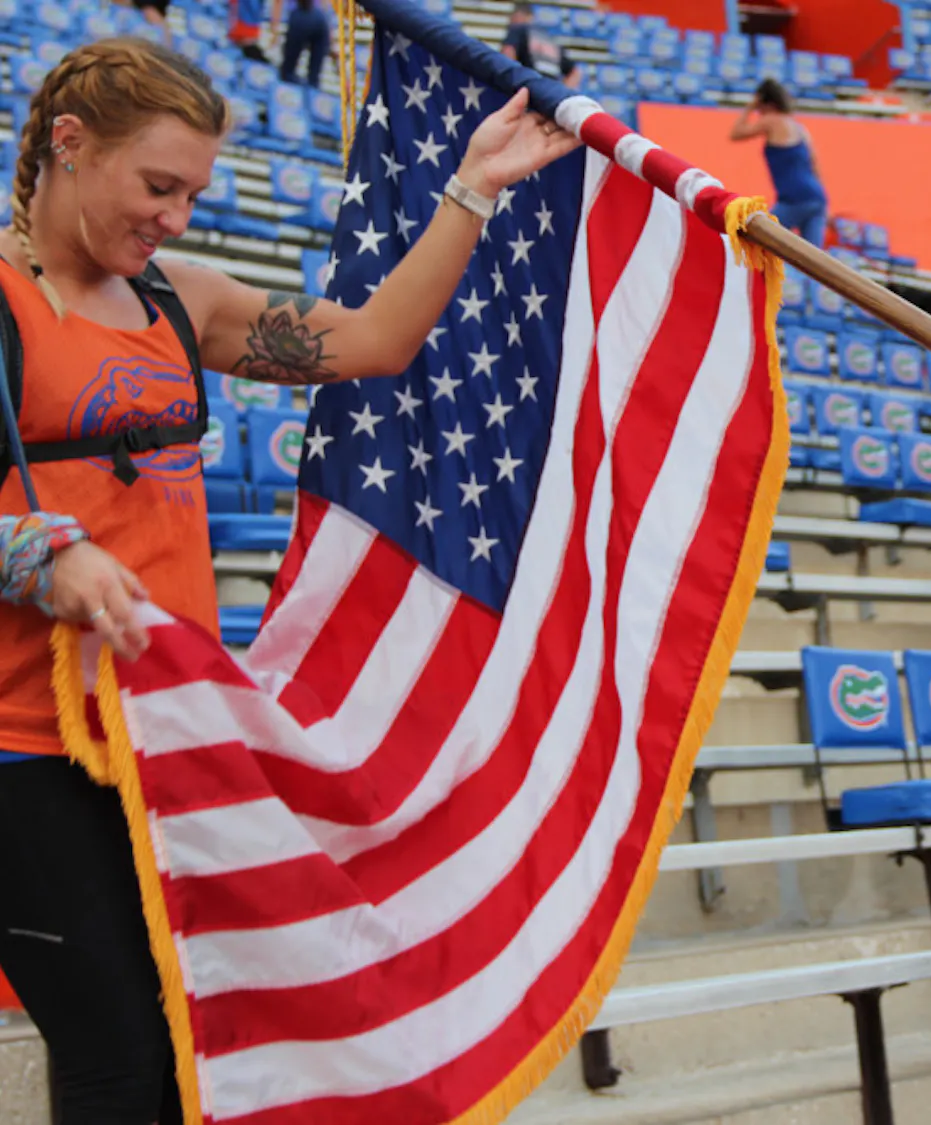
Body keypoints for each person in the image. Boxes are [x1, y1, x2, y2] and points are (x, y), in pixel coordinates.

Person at [0, 37, 577, 1124]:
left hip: (161, 743)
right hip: (23, 748)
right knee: (127, 1059)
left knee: (174, 1053)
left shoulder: (178, 300)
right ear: (68, 146)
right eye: (157, 186)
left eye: (193, 193)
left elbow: (372, 342)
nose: (174, 217)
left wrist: (473, 188)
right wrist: (44, 551)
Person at [729, 78, 828, 248]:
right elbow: (815, 167)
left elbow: (736, 134)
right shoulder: (799, 127)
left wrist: (750, 107)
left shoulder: (771, 121)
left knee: (756, 240)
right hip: (817, 197)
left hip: (793, 198)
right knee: (813, 260)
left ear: (765, 103)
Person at [502, 1, 569, 81]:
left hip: (528, 83)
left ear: (517, 15)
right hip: (550, 87)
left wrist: (510, 80)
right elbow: (576, 72)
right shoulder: (549, 38)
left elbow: (508, 51)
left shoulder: (518, 28)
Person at [273, 0, 331, 88]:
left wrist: (274, 28)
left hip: (300, 17)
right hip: (319, 19)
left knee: (287, 72)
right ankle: (311, 88)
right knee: (314, 77)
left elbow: (278, 2)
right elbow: (325, 6)